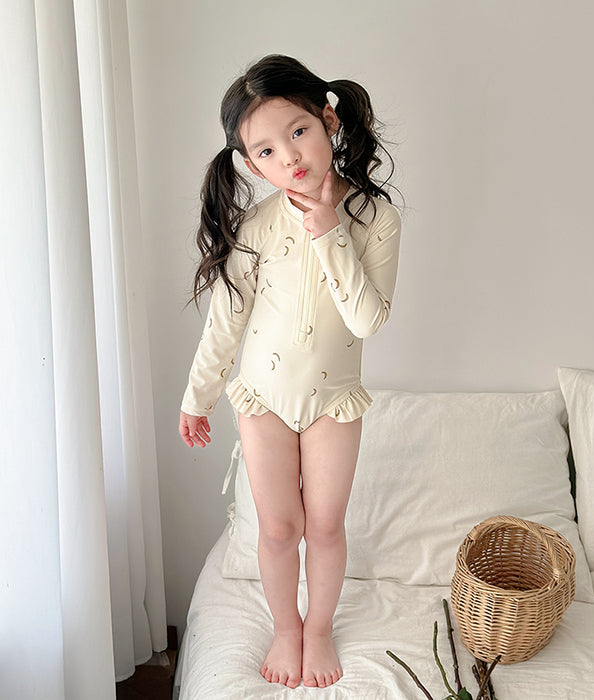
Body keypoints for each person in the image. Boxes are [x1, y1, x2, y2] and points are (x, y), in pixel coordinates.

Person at [178, 54, 402, 689]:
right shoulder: (256, 226)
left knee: (325, 526)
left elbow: (367, 319)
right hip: (264, 399)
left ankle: (320, 627)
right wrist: (197, 397)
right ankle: (285, 626)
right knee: (279, 529)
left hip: (334, 401)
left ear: (328, 120)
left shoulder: (376, 219)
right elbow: (225, 321)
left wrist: (329, 231)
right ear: (253, 165)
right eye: (267, 151)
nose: (290, 157)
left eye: (298, 131)